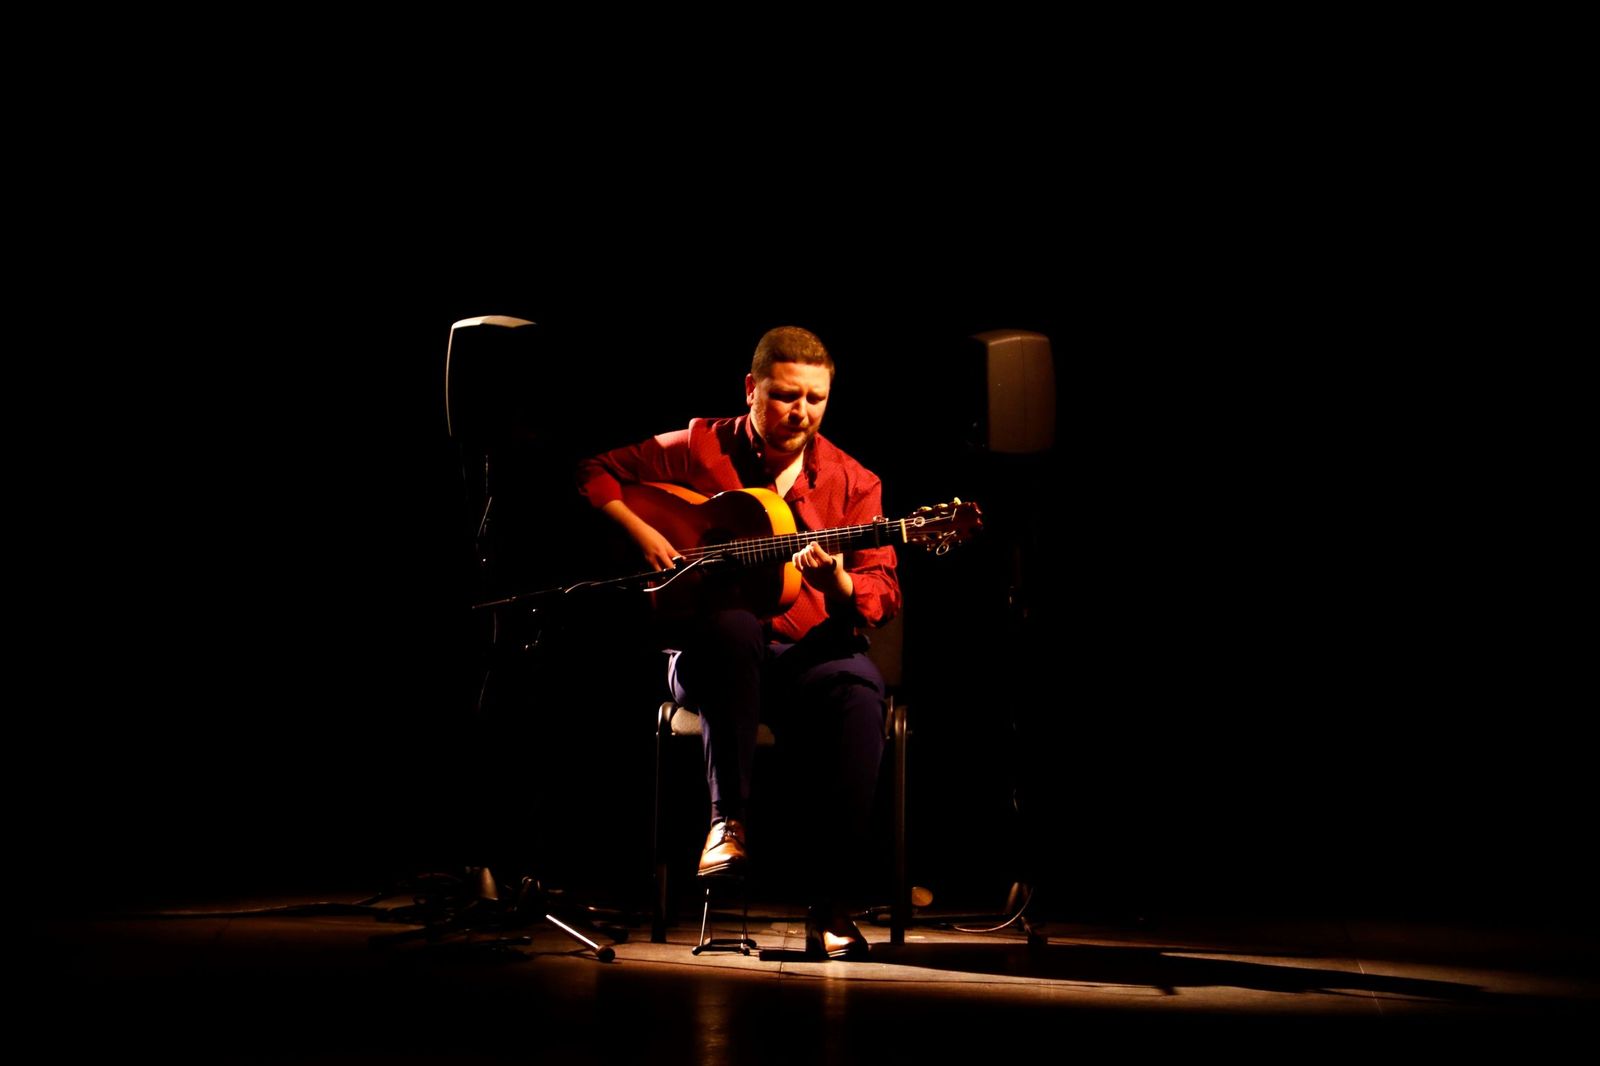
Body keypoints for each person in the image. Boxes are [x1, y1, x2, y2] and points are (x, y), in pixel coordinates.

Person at [576, 325, 899, 959]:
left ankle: (831, 906)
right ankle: (728, 822)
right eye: (784, 396)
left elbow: (881, 594)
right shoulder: (700, 445)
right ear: (751, 389)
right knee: (732, 626)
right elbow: (593, 471)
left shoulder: (854, 482)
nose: (800, 413)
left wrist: (836, 580)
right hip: (710, 659)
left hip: (805, 660)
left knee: (863, 694)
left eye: (815, 399)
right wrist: (641, 532)